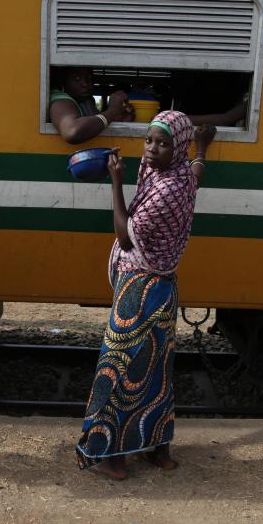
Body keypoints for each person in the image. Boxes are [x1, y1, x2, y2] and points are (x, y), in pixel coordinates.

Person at [76, 111, 214, 480]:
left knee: (119, 370)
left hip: (140, 290)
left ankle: (112, 458)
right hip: (164, 288)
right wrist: (203, 146)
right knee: (157, 374)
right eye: (149, 140)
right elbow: (198, 171)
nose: (152, 150)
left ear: (177, 147)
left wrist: (116, 182)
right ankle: (159, 452)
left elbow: (125, 236)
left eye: (164, 143)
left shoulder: (167, 189)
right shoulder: (183, 175)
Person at [49, 66, 134, 144]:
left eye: (89, 77)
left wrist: (117, 118)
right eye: (77, 78)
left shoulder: (86, 100)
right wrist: (112, 111)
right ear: (63, 81)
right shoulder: (58, 99)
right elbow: (72, 132)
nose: (85, 84)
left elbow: (95, 124)